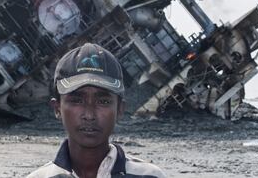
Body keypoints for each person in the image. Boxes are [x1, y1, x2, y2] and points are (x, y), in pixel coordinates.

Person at [27, 43, 166, 178]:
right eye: (77, 100)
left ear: (120, 109)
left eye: (103, 101)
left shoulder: (149, 176)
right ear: (57, 108)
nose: (89, 115)